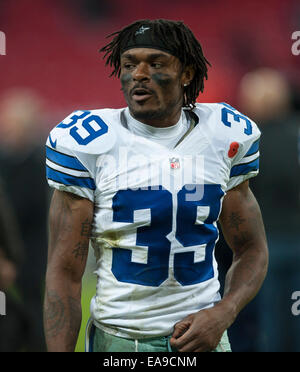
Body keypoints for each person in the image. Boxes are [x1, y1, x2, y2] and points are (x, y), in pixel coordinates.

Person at [43, 19, 268, 352]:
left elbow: (252, 249)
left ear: (187, 74)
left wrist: (223, 312)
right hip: (120, 342)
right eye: (130, 64)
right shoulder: (90, 144)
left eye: (156, 63)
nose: (139, 74)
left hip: (205, 339)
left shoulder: (223, 137)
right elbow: (64, 273)